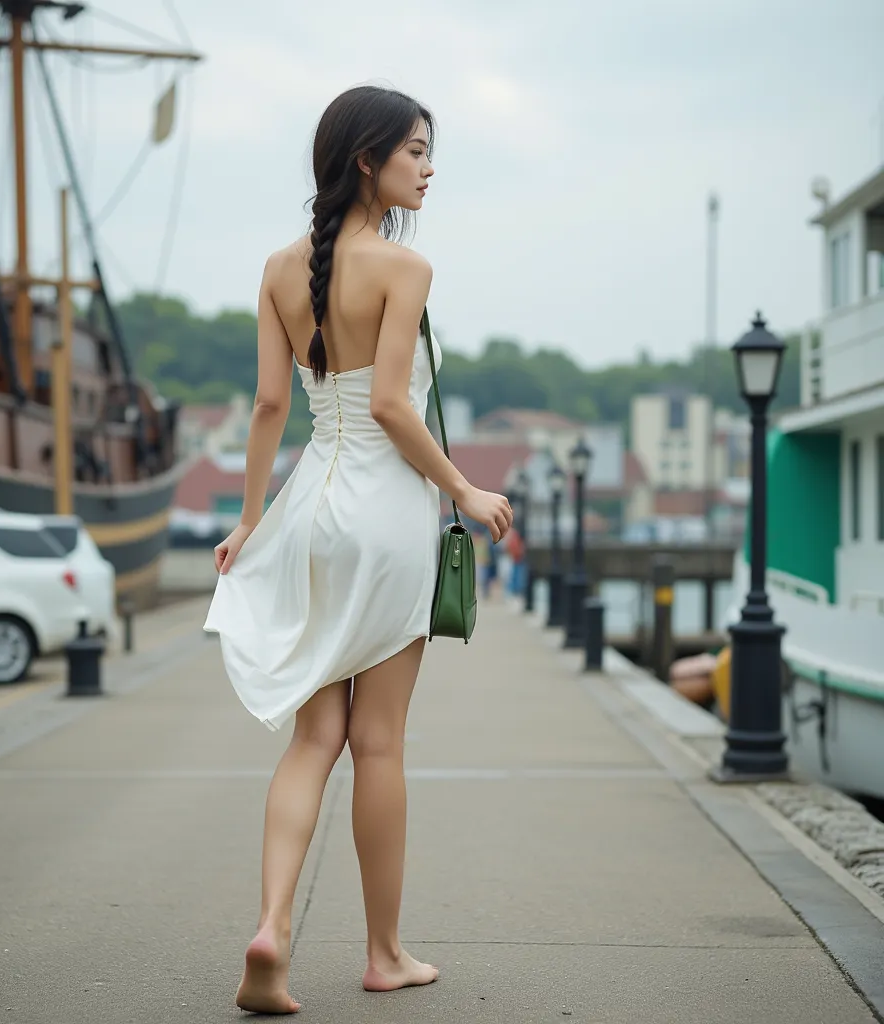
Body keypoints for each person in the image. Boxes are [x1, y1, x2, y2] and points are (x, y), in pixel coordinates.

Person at [202, 85, 514, 1014]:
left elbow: (267, 408)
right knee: (378, 744)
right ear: (367, 159)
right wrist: (463, 487)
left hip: (309, 510)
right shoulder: (403, 268)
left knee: (314, 735)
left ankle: (273, 927)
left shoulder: (276, 266)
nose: (428, 167)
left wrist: (251, 518)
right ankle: (383, 953)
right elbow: (390, 404)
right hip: (387, 515)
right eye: (416, 150)